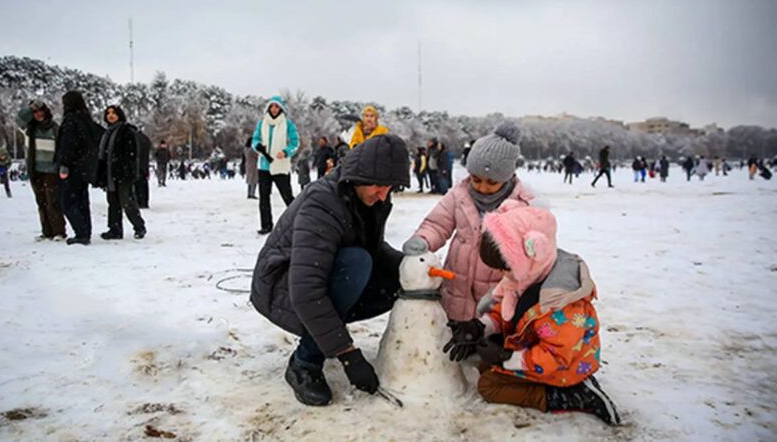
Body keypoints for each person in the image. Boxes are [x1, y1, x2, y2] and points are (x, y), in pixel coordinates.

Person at [250, 134, 410, 407]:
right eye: (379, 186)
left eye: (390, 187)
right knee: (357, 263)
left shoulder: (368, 199)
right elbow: (307, 290)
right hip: (284, 288)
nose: (384, 195)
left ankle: (325, 333)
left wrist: (412, 268)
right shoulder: (323, 202)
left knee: (397, 278)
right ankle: (305, 362)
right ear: (360, 176)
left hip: (325, 278)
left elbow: (375, 249)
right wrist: (348, 355)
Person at [443, 202, 621, 425]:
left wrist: (507, 357)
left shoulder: (559, 303)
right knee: (484, 365)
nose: (500, 273)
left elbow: (557, 355)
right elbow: (506, 311)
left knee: (489, 385)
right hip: (535, 350)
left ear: (533, 252)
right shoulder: (526, 275)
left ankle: (575, 395)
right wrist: (481, 327)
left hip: (565, 365)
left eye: (505, 267)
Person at [403, 122, 535, 322]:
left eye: (492, 182)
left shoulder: (522, 206)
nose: (482, 187)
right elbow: (438, 224)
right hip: (457, 285)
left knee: (489, 328)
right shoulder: (460, 194)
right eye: (476, 179)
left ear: (508, 177)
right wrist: (423, 239)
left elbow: (534, 251)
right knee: (454, 324)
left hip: (497, 292)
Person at [17, 99, 66, 240]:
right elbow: (19, 118)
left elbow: (61, 148)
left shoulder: (54, 128)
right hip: (35, 169)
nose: (38, 114)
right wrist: (31, 107)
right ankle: (47, 231)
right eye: (35, 112)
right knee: (41, 201)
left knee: (53, 201)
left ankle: (59, 231)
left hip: (51, 170)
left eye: (41, 111)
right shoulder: (28, 128)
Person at [96, 105, 146, 240]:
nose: (111, 115)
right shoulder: (107, 133)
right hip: (110, 173)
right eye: (108, 113)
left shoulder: (126, 131)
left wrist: (128, 171)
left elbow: (132, 154)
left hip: (123, 173)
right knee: (112, 202)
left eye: (114, 113)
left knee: (127, 201)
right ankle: (115, 229)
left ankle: (139, 226)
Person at [56, 91, 100, 245]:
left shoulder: (71, 121)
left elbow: (68, 145)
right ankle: (85, 231)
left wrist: (64, 164)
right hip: (84, 167)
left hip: (73, 167)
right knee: (82, 201)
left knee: (68, 201)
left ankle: (80, 232)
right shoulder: (86, 120)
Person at [252, 96, 299, 235]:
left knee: (287, 197)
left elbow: (295, 142)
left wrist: (286, 152)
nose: (274, 109)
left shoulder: (288, 124)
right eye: (271, 106)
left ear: (281, 108)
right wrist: (257, 146)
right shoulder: (262, 123)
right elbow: (255, 139)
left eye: (277, 106)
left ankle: (298, 222)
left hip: (280, 166)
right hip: (264, 166)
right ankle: (266, 225)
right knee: (264, 197)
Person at [134, 130, 151, 208]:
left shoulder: (134, 138)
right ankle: (144, 201)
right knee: (144, 184)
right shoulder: (145, 139)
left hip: (137, 165)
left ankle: (139, 201)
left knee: (137, 184)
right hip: (144, 165)